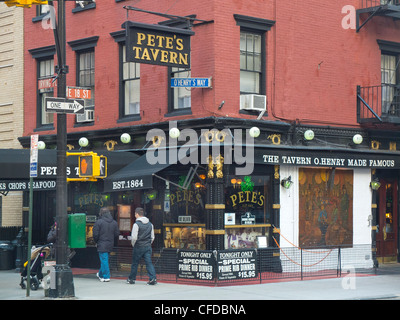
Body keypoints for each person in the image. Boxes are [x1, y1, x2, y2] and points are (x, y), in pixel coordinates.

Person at [127, 207, 157, 285]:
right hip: (147, 246)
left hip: (138, 246)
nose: (134, 215)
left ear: (137, 214)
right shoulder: (150, 224)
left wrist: (134, 244)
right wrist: (148, 243)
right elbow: (152, 237)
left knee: (135, 263)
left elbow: (134, 237)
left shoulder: (136, 224)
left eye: (135, 214)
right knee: (149, 263)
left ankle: (131, 279)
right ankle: (153, 278)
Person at [93, 207, 119, 282]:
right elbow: (117, 233)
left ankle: (106, 276)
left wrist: (96, 241)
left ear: (101, 213)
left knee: (104, 260)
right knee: (105, 259)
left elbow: (95, 235)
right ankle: (100, 274)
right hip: (110, 243)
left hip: (101, 243)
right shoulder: (114, 222)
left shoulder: (99, 222)